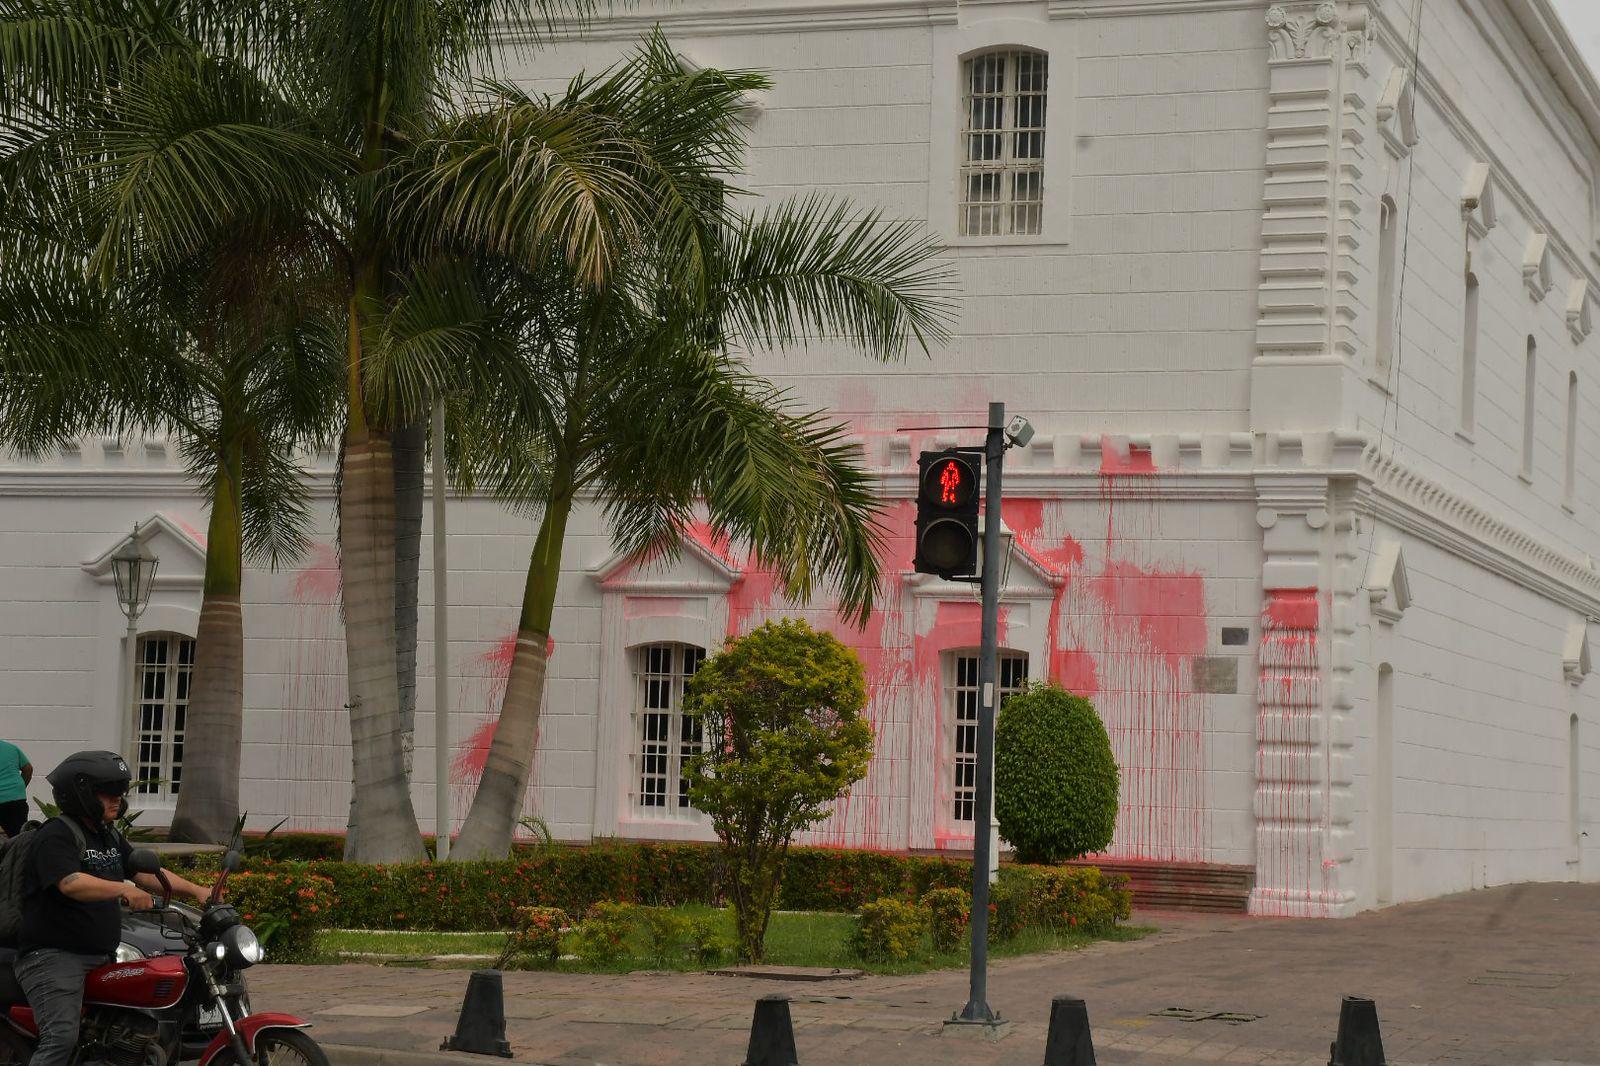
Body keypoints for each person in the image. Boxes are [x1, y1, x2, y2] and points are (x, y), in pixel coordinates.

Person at [15, 751, 211, 1066]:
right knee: (61, 1039)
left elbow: (144, 871)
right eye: (108, 793)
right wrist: (122, 888)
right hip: (53, 957)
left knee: (128, 1029)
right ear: (80, 795)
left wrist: (198, 890)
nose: (117, 799)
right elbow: (70, 882)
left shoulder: (108, 836)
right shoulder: (57, 834)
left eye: (120, 792)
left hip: (101, 957)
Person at [0, 739, 31, 838]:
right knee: (19, 839)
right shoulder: (12, 748)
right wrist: (18, 790)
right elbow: (28, 769)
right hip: (17, 801)